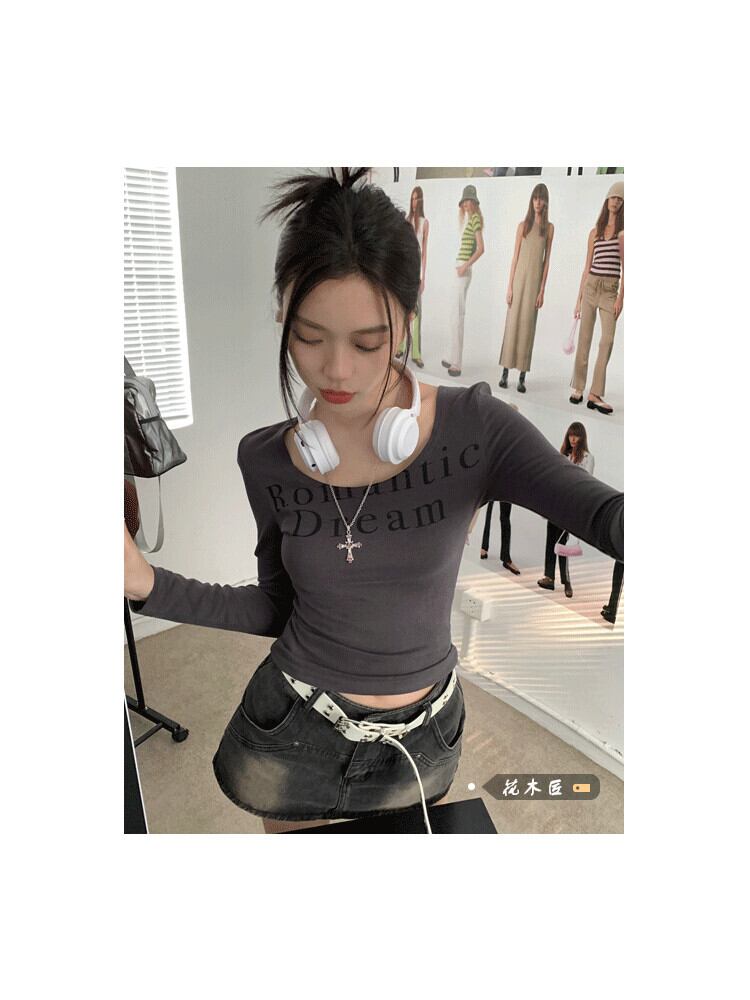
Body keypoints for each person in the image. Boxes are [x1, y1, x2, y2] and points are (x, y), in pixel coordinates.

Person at [124, 169, 623, 834]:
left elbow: (605, 517)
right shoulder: (265, 459)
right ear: (282, 313)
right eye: (308, 337)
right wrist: (146, 584)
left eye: (368, 342)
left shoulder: (476, 431)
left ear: (407, 323)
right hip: (292, 732)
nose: (337, 370)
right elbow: (276, 607)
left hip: (425, 739)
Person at [569, 181, 624, 414]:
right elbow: (586, 267)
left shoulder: (624, 234)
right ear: (607, 200)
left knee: (607, 340)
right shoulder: (595, 232)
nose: (615, 202)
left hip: (610, 290)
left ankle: (595, 393)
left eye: (620, 199)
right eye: (613, 197)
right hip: (591, 287)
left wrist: (621, 297)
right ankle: (579, 387)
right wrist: (579, 298)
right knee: (585, 338)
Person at [499, 184, 555, 394]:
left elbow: (546, 262)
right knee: (512, 325)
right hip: (519, 281)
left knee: (527, 328)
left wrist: (542, 291)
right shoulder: (523, 226)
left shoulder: (549, 228)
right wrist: (510, 287)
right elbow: (515, 257)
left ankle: (522, 377)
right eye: (535, 198)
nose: (538, 203)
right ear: (531, 201)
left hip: (534, 284)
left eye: (541, 199)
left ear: (546, 201)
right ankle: (505, 373)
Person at [538, 422, 595, 599]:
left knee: (562, 543)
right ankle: (549, 577)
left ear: (582, 437)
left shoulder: (587, 457)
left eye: (576, 435)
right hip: (556, 502)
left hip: (571, 506)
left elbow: (586, 482)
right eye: (570, 435)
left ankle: (566, 581)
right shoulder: (563, 454)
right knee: (550, 540)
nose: (573, 439)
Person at [442, 184, 484, 376]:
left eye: (469, 200)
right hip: (459, 268)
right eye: (464, 201)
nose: (466, 204)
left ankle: (457, 363)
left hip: (463, 270)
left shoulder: (475, 219)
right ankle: (451, 356)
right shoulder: (470, 219)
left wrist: (464, 266)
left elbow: (481, 248)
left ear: (474, 202)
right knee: (454, 315)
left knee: (458, 316)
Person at [395, 186, 429, 368]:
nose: (414, 202)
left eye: (417, 199)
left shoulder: (424, 223)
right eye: (412, 199)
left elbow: (424, 252)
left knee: (417, 313)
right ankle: (400, 347)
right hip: (404, 271)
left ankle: (416, 353)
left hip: (417, 274)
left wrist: (423, 276)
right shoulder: (406, 221)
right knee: (402, 309)